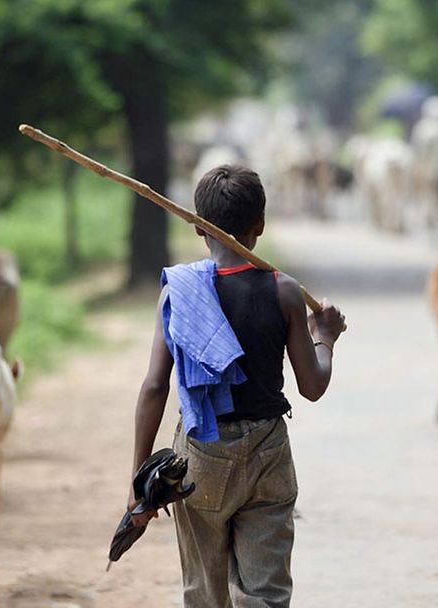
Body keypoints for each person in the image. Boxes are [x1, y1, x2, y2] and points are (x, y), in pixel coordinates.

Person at [126, 164, 346, 607]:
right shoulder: (283, 291)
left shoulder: (179, 294)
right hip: (268, 456)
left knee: (205, 593)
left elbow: (154, 387)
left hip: (201, 460)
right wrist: (325, 337)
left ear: (197, 227)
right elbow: (313, 386)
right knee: (264, 593)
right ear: (259, 226)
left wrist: (137, 482)